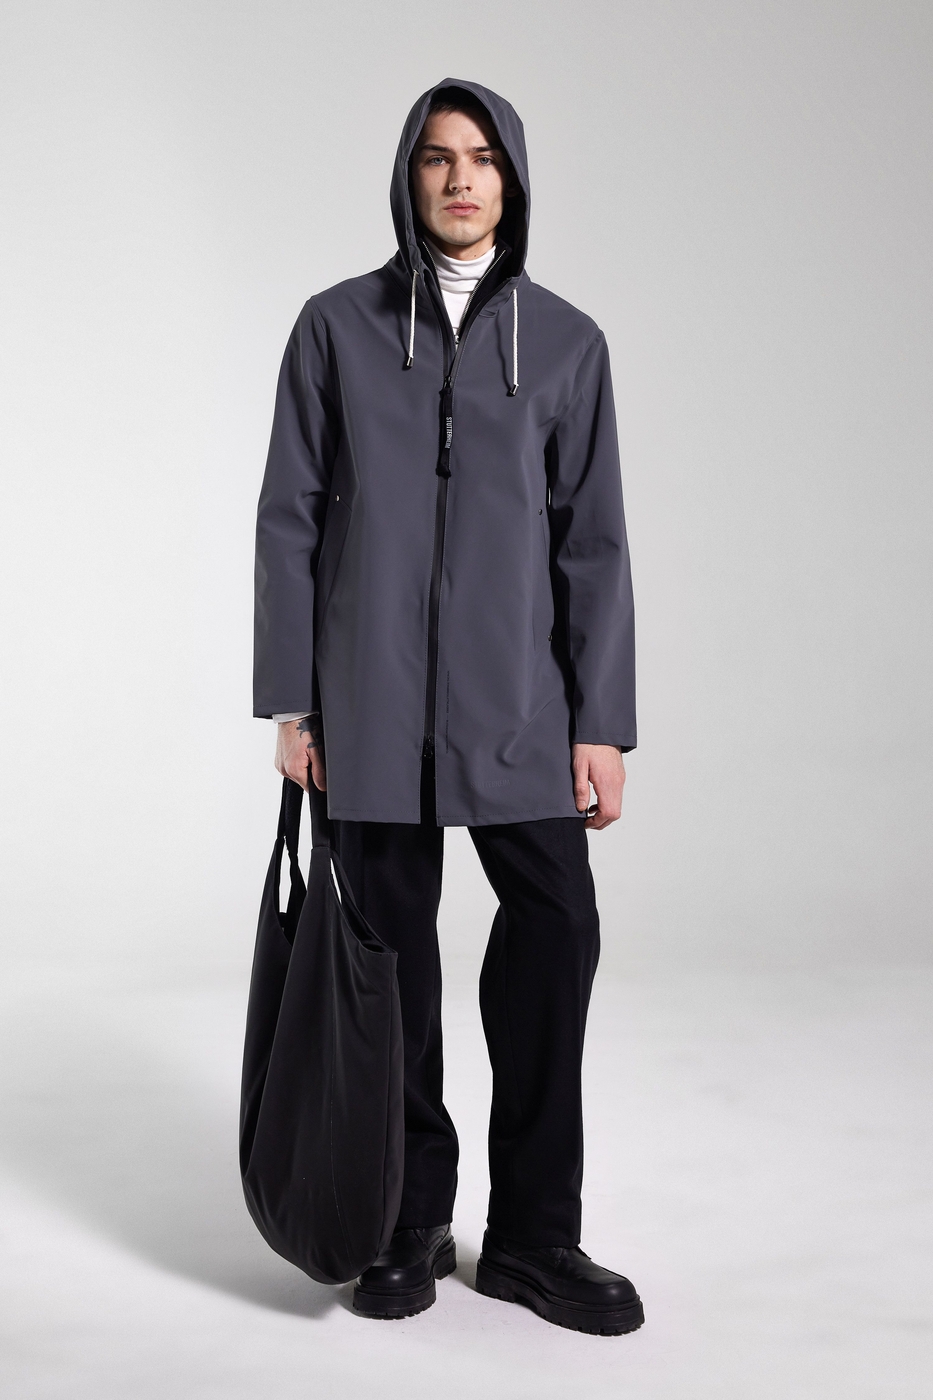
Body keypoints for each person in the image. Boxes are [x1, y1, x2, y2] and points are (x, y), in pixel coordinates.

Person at [253, 79, 642, 1336]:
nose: (460, 178)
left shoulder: (568, 343)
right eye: (436, 158)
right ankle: (407, 1215)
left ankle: (533, 1234)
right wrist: (293, 700)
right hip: (367, 707)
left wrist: (600, 720)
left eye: (481, 159)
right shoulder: (335, 327)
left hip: (523, 703)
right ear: (408, 177)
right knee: (387, 966)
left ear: (511, 180)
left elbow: (594, 544)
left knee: (556, 934)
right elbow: (289, 518)